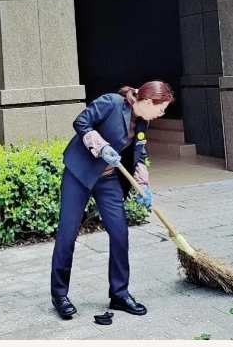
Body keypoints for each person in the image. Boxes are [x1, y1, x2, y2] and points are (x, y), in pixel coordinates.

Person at [50, 81, 175, 319]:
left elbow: (139, 154)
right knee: (67, 233)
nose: (161, 114)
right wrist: (101, 146)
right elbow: (81, 122)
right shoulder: (112, 102)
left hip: (107, 179)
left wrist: (143, 186)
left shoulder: (143, 121)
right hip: (79, 174)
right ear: (149, 102)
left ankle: (119, 294)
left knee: (119, 234)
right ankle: (59, 295)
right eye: (161, 109)